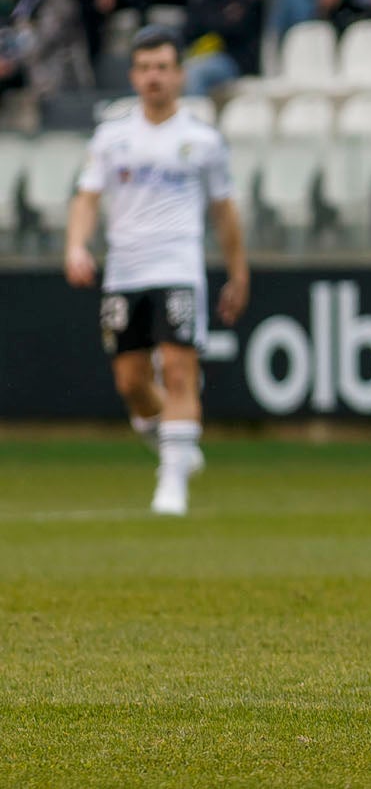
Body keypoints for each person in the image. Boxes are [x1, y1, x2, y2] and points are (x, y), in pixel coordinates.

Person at [64, 27, 249, 517]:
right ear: (133, 75)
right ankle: (173, 442)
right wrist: (76, 246)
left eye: (163, 68)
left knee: (181, 369)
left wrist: (238, 273)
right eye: (145, 68)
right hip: (125, 271)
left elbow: (224, 212)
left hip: (178, 267)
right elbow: (87, 197)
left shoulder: (202, 141)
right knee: (131, 382)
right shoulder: (112, 136)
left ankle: (171, 487)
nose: (154, 77)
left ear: (180, 75)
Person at [182, 0, 264, 96]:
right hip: (202, 55)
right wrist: (220, 20)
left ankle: (197, 119)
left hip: (236, 60)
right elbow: (189, 30)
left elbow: (236, 29)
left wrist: (212, 23)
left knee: (195, 75)